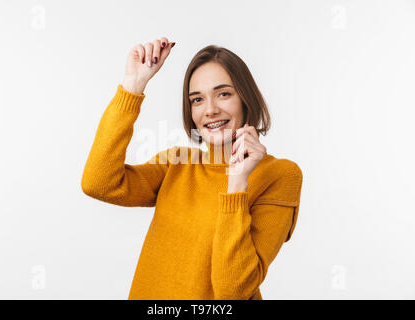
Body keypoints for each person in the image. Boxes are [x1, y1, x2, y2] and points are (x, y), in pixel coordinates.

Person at [81, 37, 303, 300]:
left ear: (245, 98)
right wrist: (133, 86)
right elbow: (98, 183)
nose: (210, 110)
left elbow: (232, 293)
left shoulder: (280, 175)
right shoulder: (178, 163)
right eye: (197, 100)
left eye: (223, 94)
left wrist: (236, 183)